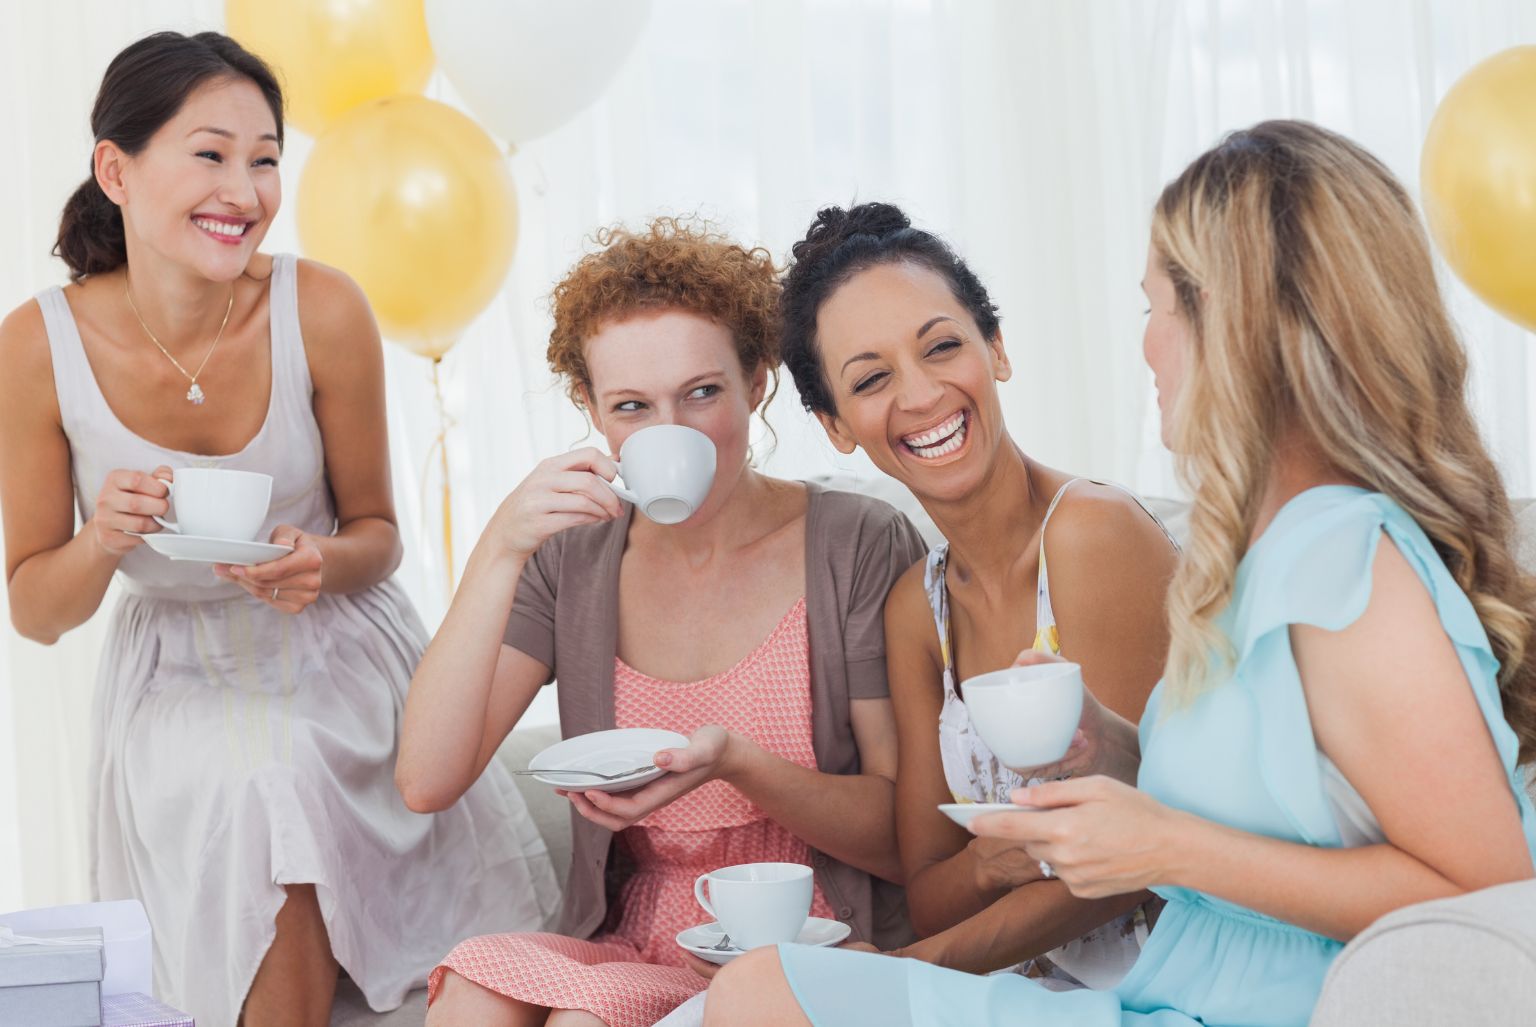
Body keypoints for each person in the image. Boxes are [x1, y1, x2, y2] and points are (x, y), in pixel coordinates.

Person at [703, 120, 1536, 1026]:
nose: (1146, 348)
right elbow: (1275, 797)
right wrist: (1110, 747)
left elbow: (1488, 900)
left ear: (1239, 325)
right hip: (1179, 997)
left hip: (1245, 1008)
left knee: (763, 995)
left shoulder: (1342, 557)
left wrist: (1165, 848)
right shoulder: (1266, 552)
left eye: (1156, 311)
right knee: (763, 989)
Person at [0, 31, 558, 1026]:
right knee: (253, 786)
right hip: (175, 677)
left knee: (280, 775)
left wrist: (321, 561)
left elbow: (378, 532)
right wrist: (102, 540)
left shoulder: (322, 307)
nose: (245, 190)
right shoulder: (37, 345)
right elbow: (36, 610)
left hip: (337, 655)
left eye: (264, 160)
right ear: (115, 171)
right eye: (210, 155)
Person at [397, 217, 926, 1027]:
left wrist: (737, 764)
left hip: (809, 937)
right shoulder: (572, 557)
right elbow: (425, 779)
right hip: (637, 939)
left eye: (702, 392)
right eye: (632, 407)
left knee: (584, 1021)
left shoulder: (855, 542)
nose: (670, 433)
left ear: (758, 380)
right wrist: (500, 548)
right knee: (472, 985)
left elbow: (902, 835)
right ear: (590, 408)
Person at [769, 201, 1181, 986]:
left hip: (1155, 982)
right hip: (1018, 988)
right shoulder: (916, 610)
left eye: (942, 347)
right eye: (872, 378)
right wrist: (991, 863)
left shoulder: (1091, 533)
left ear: (996, 348)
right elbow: (929, 892)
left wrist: (898, 975)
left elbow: (1131, 865)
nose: (922, 394)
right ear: (835, 425)